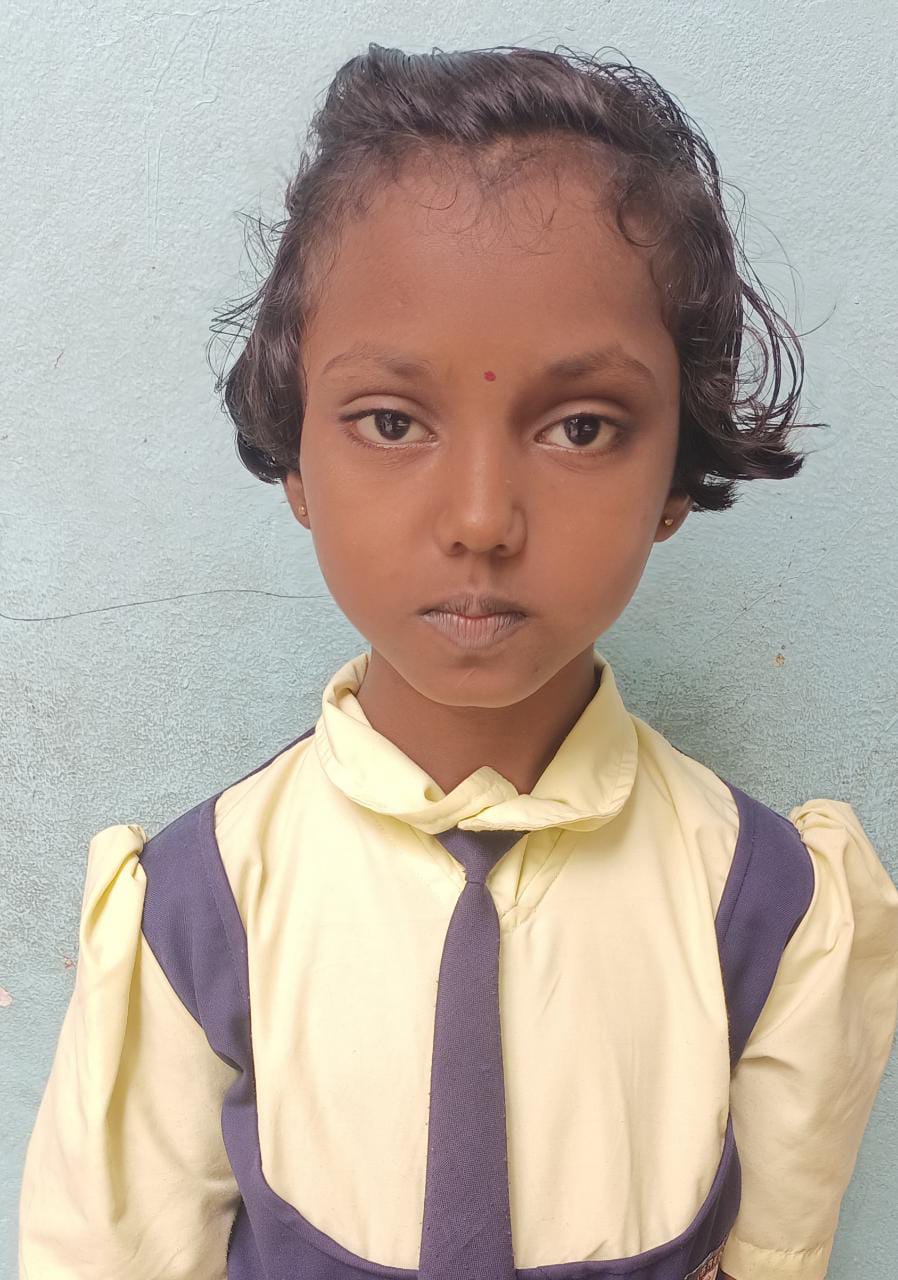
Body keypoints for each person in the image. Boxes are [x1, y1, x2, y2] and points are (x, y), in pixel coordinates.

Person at [18, 41, 898, 1280]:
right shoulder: (197, 908)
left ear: (676, 474)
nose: (482, 518)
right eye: (391, 420)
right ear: (294, 459)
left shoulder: (768, 904)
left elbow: (779, 1253)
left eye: (581, 425)